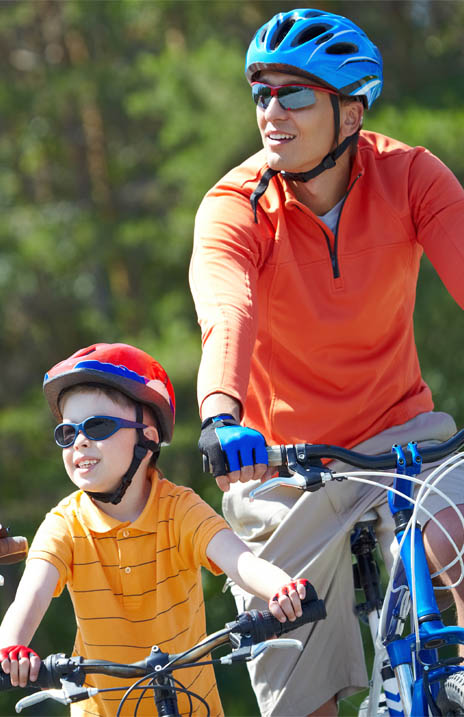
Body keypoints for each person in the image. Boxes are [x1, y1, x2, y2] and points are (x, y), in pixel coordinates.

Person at [189, 8, 464, 717]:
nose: (271, 111)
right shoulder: (234, 208)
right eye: (262, 93)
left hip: (406, 438)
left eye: (295, 94)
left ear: (350, 114)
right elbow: (228, 312)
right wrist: (222, 414)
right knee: (297, 697)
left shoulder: (412, 176)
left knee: (458, 532)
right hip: (281, 461)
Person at [0, 342, 310, 717]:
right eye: (67, 432)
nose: (79, 440)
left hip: (193, 708)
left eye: (97, 426)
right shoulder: (64, 525)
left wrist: (282, 588)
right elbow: (29, 597)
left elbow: (239, 559)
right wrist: (12, 647)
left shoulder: (180, 510)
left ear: (147, 436)